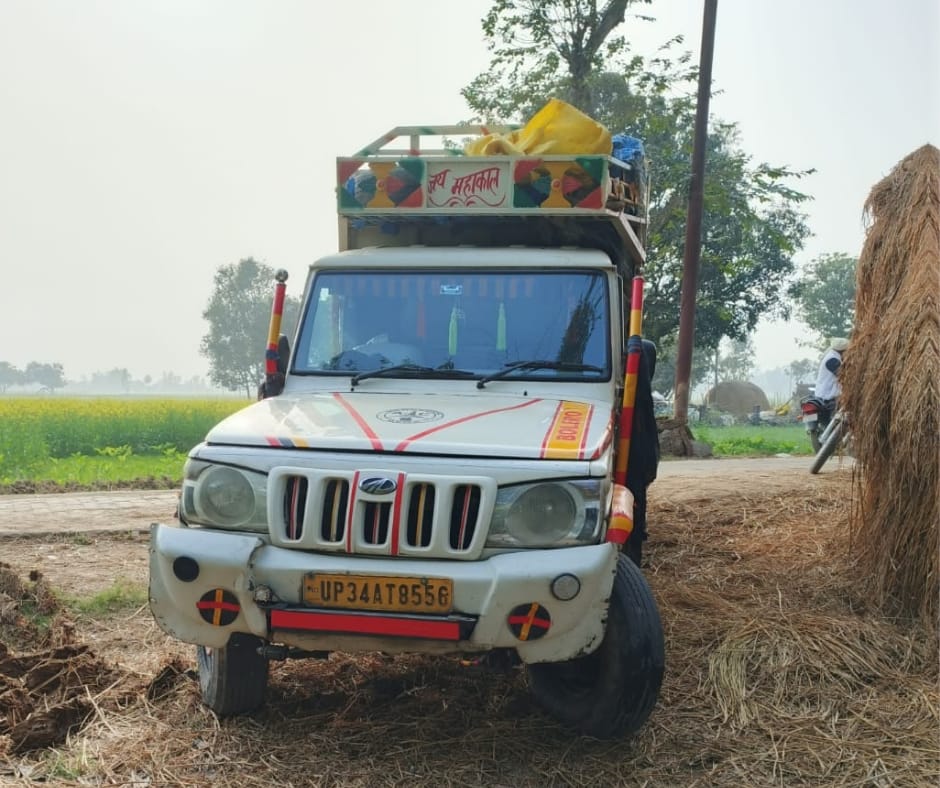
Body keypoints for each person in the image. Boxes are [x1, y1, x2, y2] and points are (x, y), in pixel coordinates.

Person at [814, 336, 849, 405]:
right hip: (827, 398)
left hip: (826, 396)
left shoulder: (832, 356)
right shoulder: (832, 360)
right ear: (842, 351)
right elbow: (843, 375)